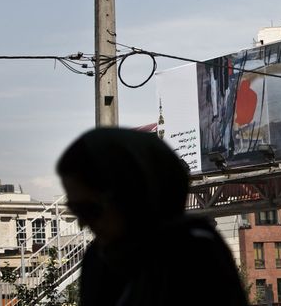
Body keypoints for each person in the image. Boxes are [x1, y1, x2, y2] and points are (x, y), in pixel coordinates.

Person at [56, 127, 248, 306]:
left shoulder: (195, 254)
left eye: (91, 209)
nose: (83, 223)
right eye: (75, 210)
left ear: (132, 196)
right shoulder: (99, 259)